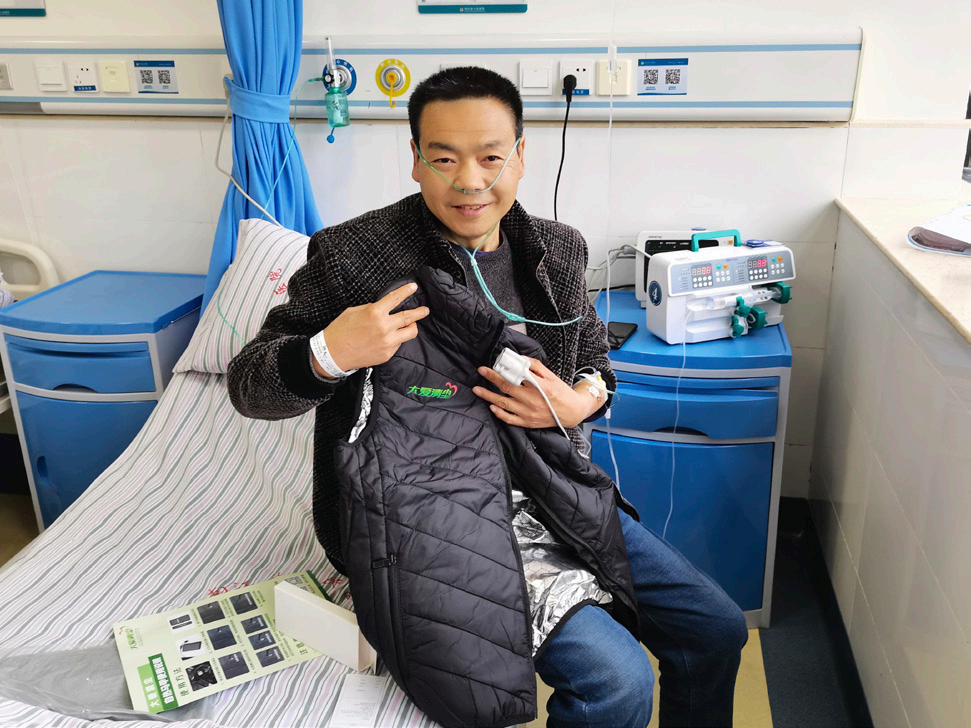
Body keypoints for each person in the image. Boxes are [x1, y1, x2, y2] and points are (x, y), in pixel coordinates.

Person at [228, 67, 747, 728]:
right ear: (415, 160)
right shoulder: (353, 258)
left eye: (490, 158)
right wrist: (330, 351)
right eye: (443, 159)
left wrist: (581, 401)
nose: (469, 181)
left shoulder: (557, 251)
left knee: (715, 628)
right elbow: (248, 386)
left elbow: (594, 357)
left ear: (520, 156)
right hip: (432, 513)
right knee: (616, 682)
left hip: (554, 492)